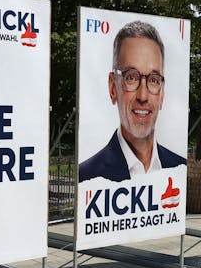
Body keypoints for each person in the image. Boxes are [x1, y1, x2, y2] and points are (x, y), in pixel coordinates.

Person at [78, 20, 187, 181]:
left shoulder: (180, 169)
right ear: (113, 87)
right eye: (131, 77)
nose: (143, 96)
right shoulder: (87, 176)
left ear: (162, 94)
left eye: (154, 80)